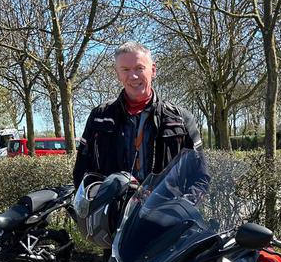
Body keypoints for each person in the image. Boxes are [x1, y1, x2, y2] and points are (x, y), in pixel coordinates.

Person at [72, 41, 203, 187]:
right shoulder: (99, 117)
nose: (133, 76)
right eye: (125, 69)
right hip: (113, 202)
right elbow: (81, 173)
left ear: (153, 70)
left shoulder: (181, 119)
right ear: (117, 74)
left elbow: (200, 177)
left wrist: (183, 200)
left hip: (165, 202)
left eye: (139, 68)